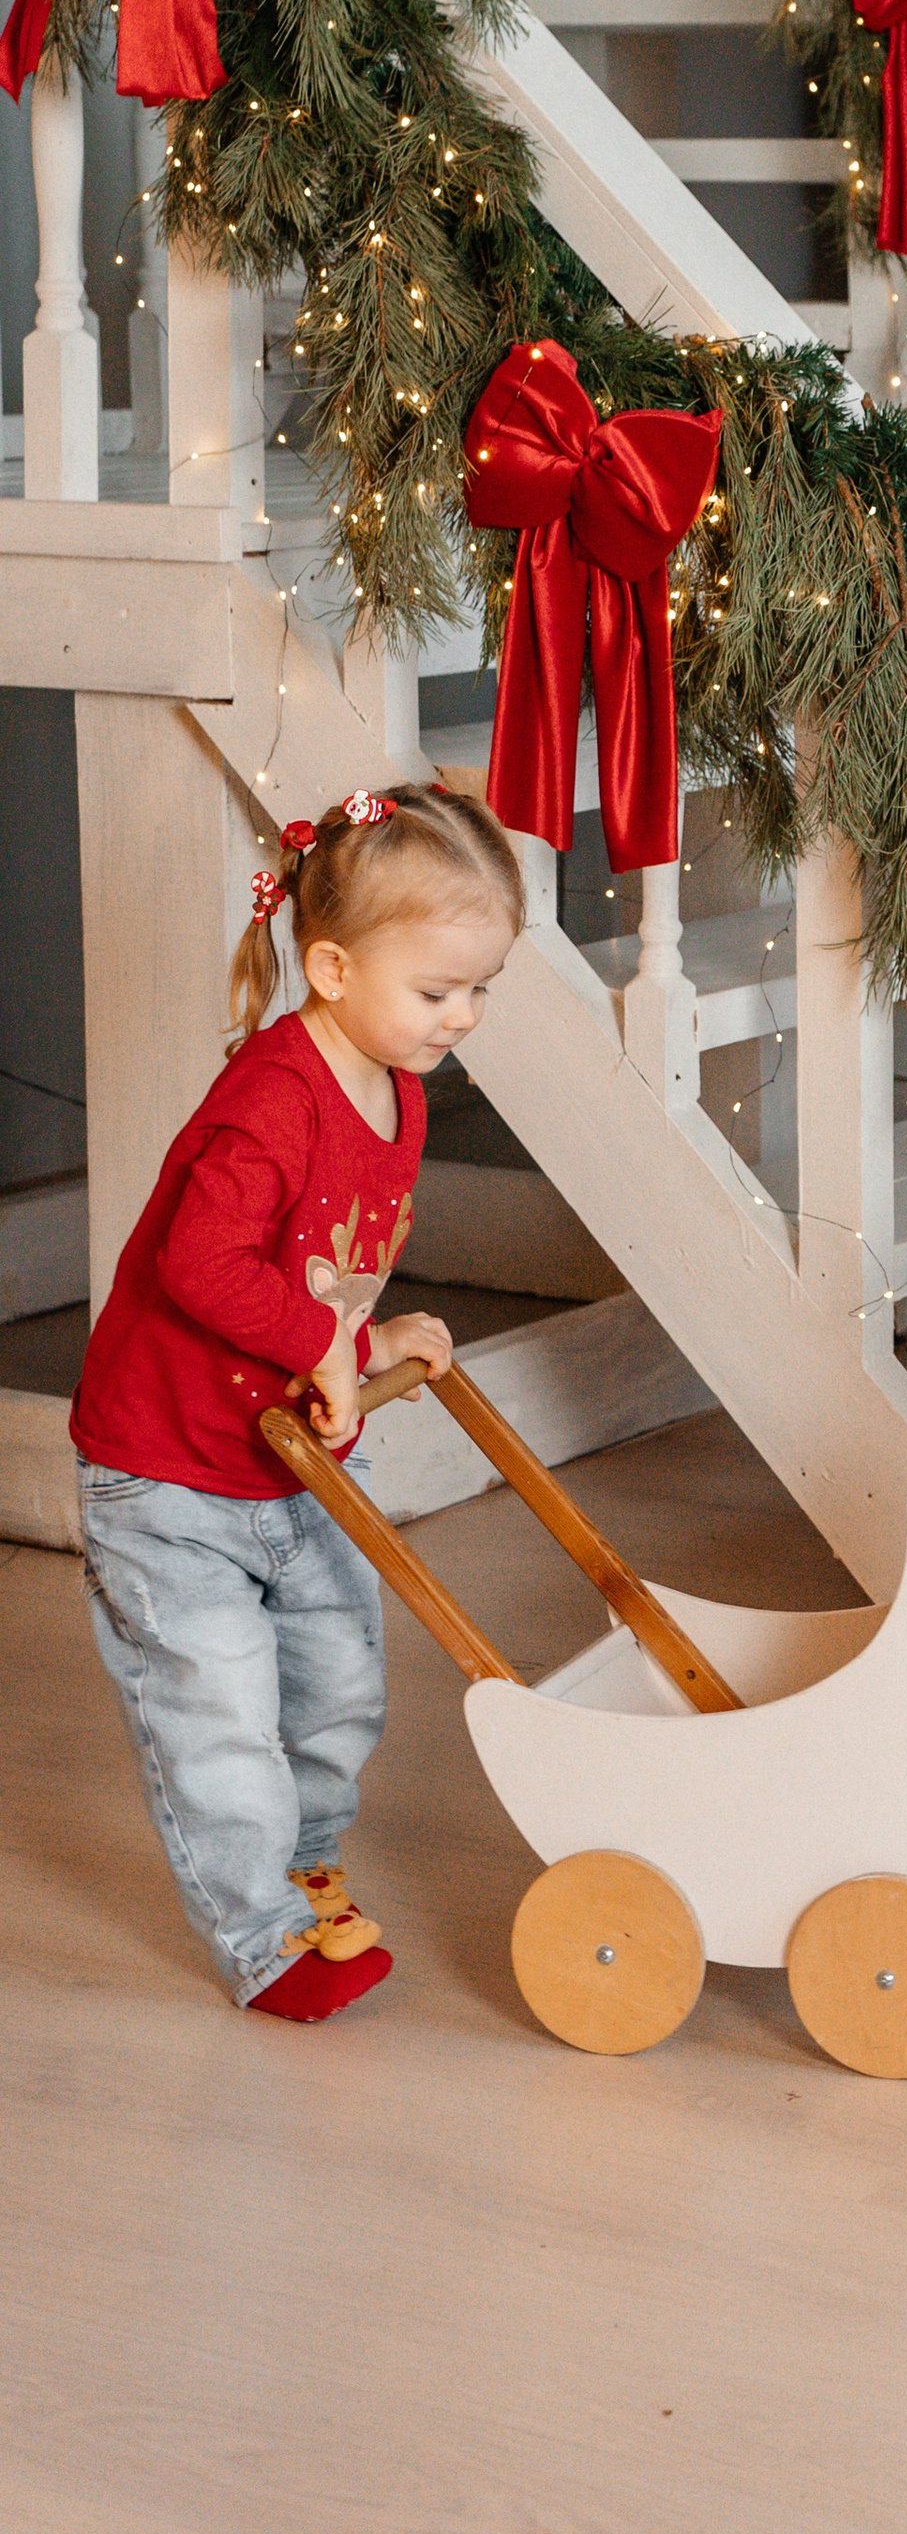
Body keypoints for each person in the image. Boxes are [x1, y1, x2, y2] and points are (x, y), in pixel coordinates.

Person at [74, 782, 524, 2023]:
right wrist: (326, 1341)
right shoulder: (273, 1097)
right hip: (168, 1471)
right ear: (331, 968)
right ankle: (263, 1940)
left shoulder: (399, 1087)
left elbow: (319, 1268)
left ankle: (308, 1869)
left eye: (480, 988)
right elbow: (202, 1265)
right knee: (218, 1713)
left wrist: (362, 1339)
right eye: (437, 991)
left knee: (338, 1688)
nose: (462, 1016)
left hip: (296, 1458)